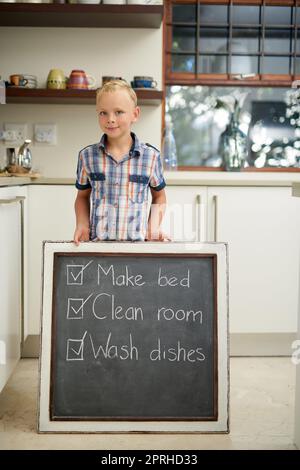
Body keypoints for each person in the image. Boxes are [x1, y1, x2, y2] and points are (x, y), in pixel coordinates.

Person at [73, 79, 169, 245]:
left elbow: (159, 196)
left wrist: (153, 227)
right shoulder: (87, 156)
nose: (110, 119)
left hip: (137, 248)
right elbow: (82, 197)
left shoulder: (151, 157)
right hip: (98, 247)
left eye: (118, 112)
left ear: (135, 114)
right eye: (103, 112)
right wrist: (82, 224)